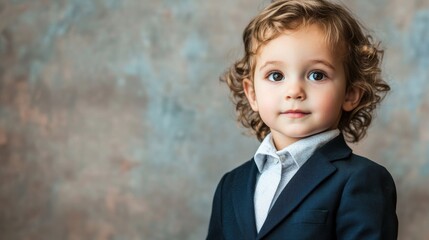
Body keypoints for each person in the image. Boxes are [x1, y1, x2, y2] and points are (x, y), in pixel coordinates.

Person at [206, 0, 398, 239]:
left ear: (350, 93)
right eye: (276, 75)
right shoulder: (230, 186)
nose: (294, 91)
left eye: (317, 75)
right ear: (252, 94)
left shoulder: (361, 179)